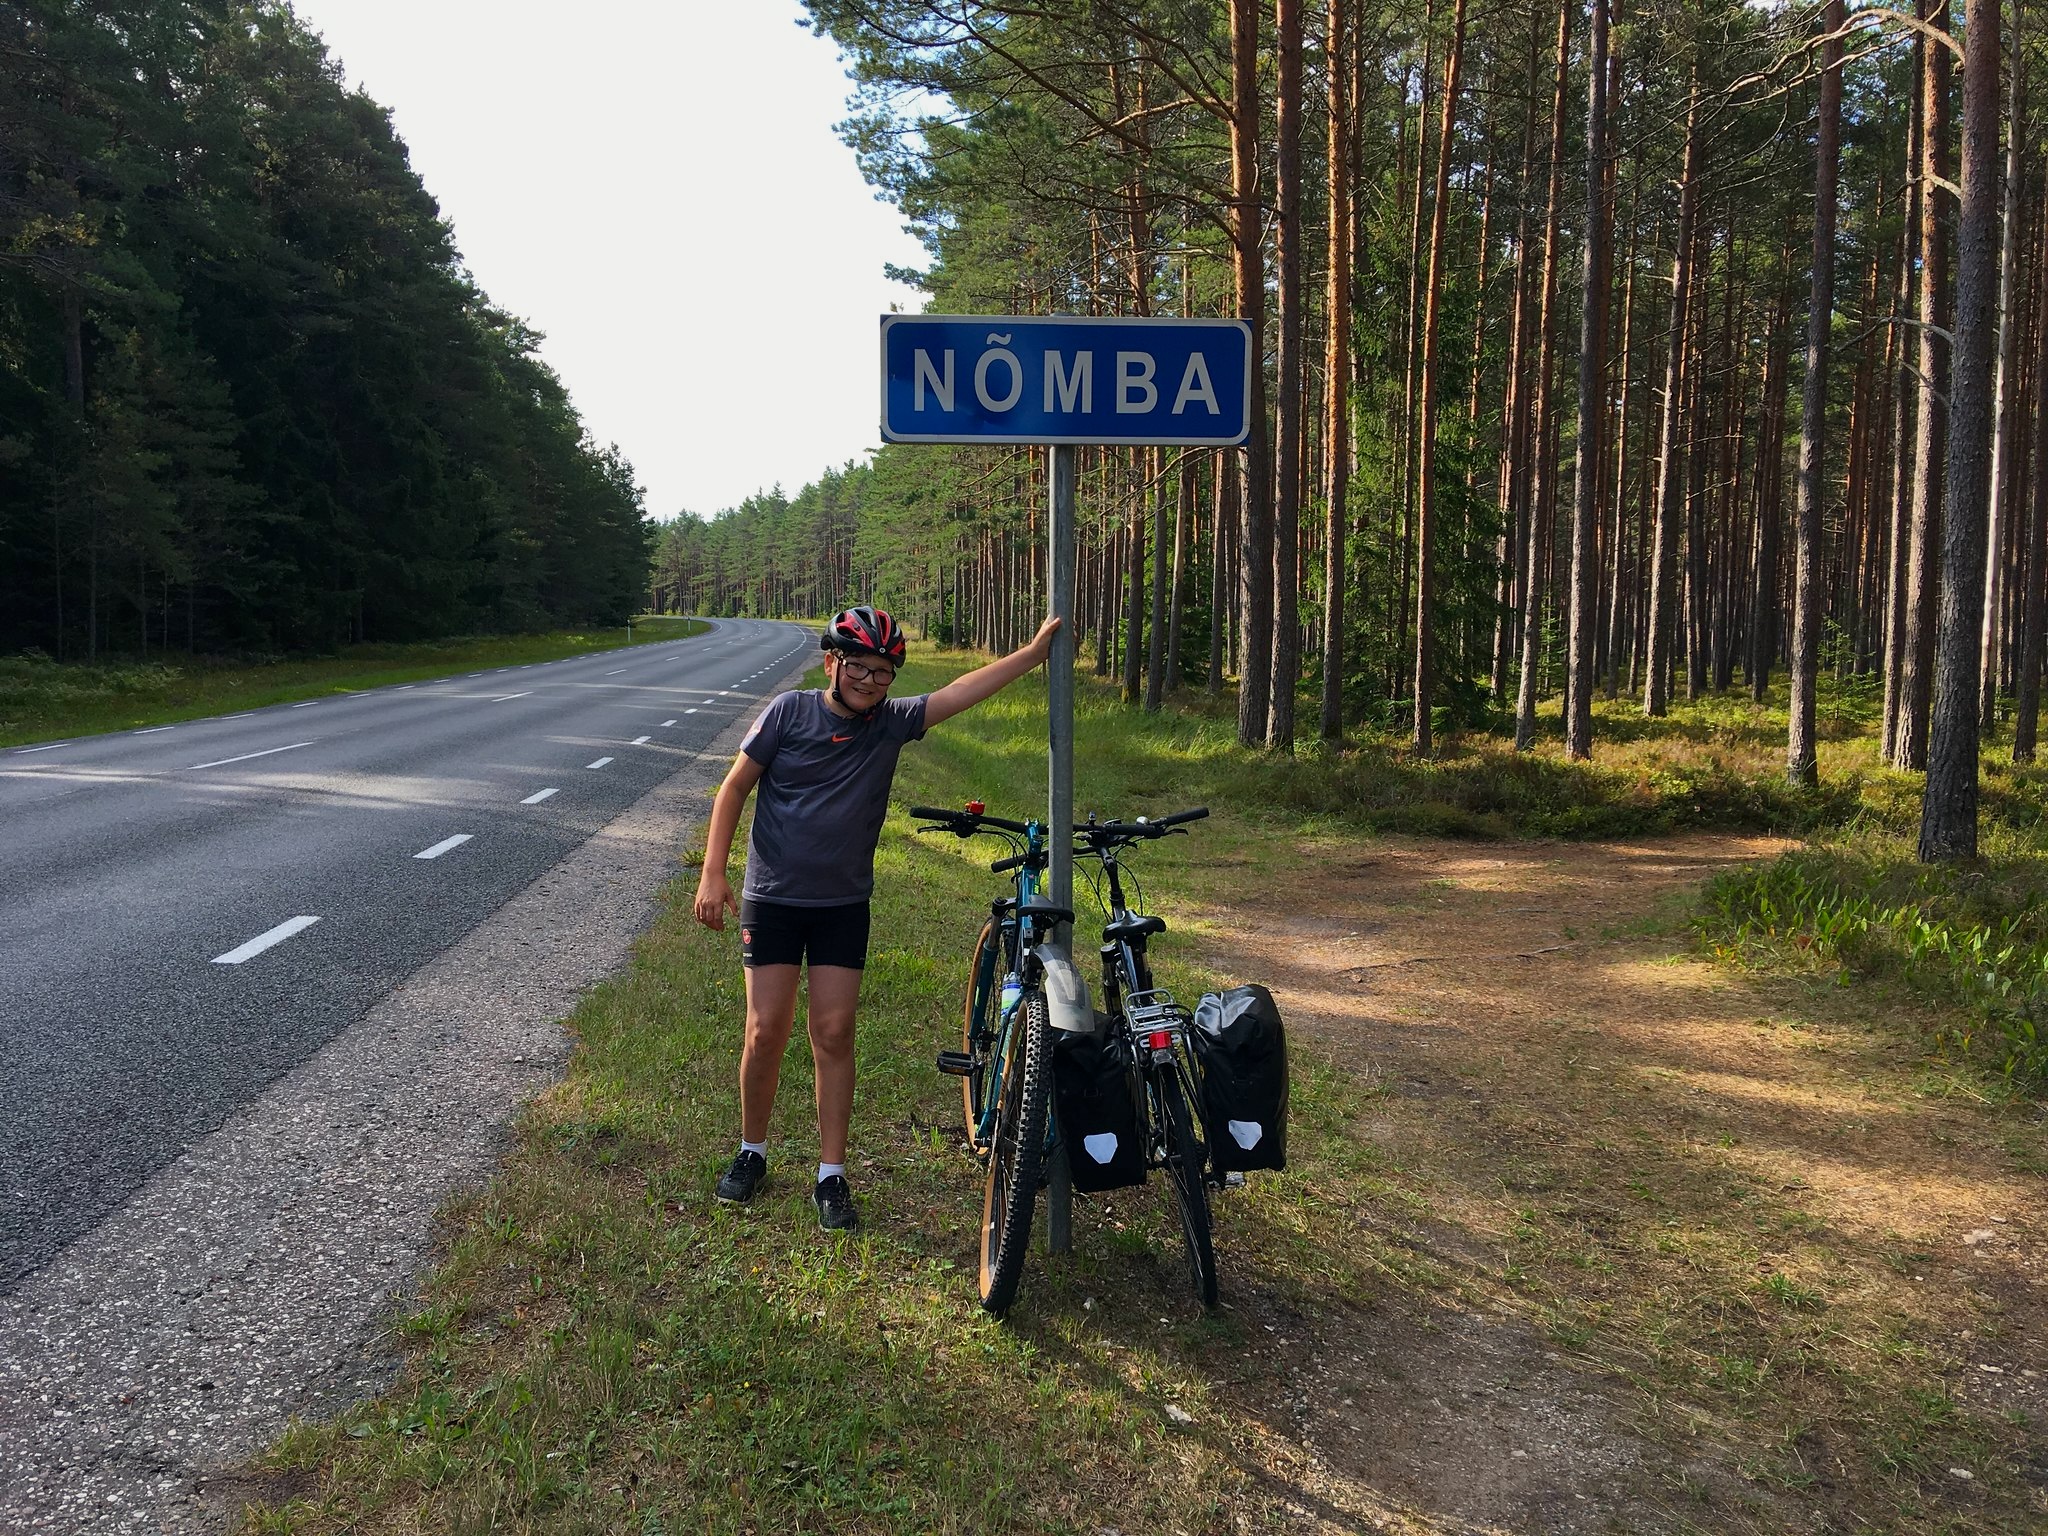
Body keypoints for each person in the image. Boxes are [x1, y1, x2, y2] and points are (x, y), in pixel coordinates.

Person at [694, 605, 1061, 1231]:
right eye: (859, 667)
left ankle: (831, 1175)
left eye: (884, 672)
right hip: (775, 897)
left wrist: (1030, 655)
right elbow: (734, 788)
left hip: (842, 904)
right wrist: (713, 871)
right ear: (834, 662)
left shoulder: (890, 724)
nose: (870, 681)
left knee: (833, 1033)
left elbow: (957, 693)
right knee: (765, 1032)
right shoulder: (788, 713)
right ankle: (752, 1150)